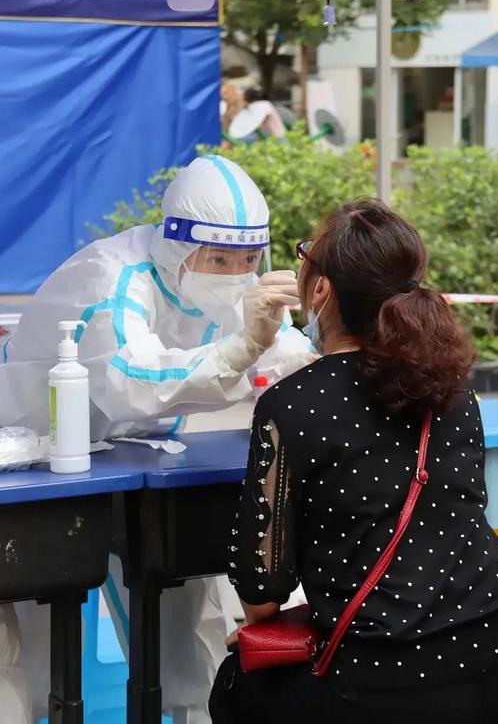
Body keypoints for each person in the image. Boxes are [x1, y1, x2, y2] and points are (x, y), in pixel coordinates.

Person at [0, 154, 312, 724]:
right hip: (36, 469)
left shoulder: (233, 284)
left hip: (139, 459)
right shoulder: (110, 277)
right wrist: (243, 347)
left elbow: (287, 352)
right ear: (175, 246)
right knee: (27, 663)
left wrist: (322, 361)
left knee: (187, 652)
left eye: (247, 259)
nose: (233, 273)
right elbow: (133, 383)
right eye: (217, 257)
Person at [210, 199, 498, 724]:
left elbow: (262, 592)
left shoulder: (293, 404)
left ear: (320, 289)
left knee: (234, 688)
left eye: (303, 257)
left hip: (386, 684)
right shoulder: (456, 391)